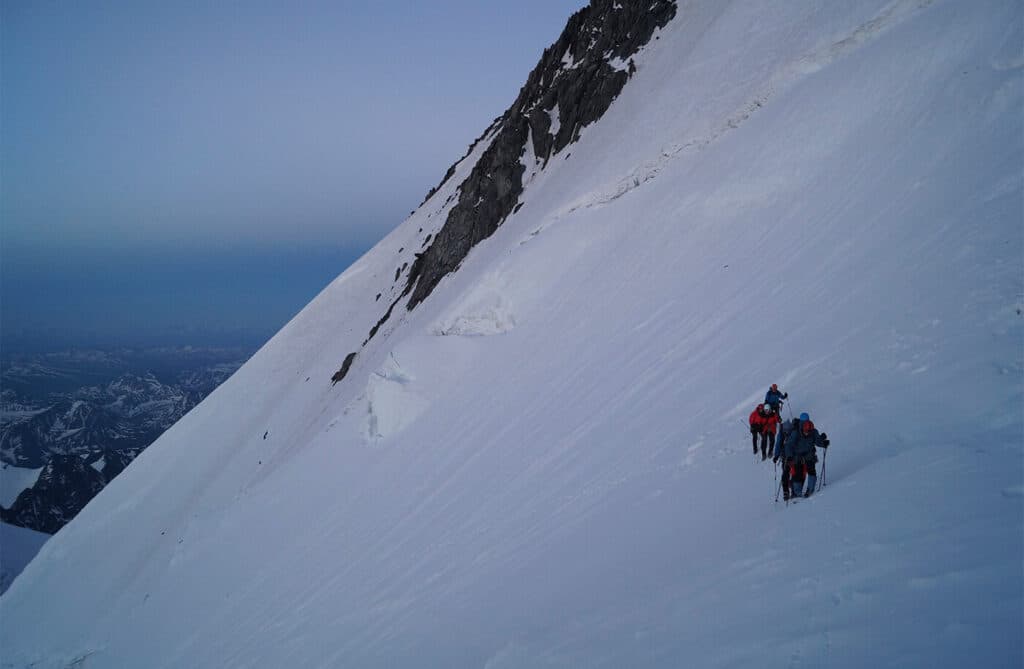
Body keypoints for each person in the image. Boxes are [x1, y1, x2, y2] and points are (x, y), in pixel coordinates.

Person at [783, 414, 830, 499]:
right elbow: (789, 445)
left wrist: (824, 443)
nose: (807, 433)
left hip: (809, 454)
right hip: (798, 455)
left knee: (811, 470)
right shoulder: (796, 432)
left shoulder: (813, 431)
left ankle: (810, 489)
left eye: (808, 431)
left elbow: (817, 441)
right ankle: (797, 493)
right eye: (806, 431)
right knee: (797, 473)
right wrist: (789, 456)